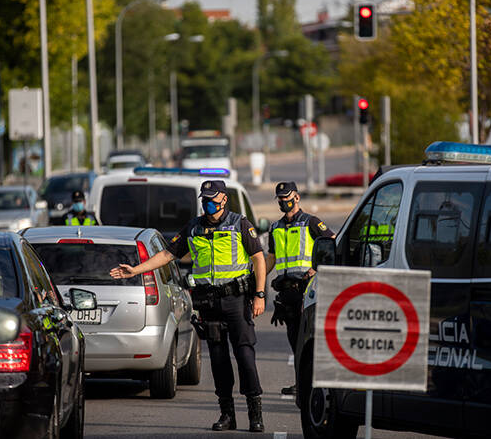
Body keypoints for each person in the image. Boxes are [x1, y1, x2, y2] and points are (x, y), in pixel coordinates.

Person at [109, 180, 267, 432]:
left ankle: (254, 412)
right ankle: (227, 414)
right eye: (204, 199)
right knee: (218, 359)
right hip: (209, 302)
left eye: (213, 198)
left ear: (224, 199)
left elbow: (259, 259)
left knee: (245, 356)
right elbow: (168, 254)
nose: (208, 203)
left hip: (236, 300)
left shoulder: (239, 224)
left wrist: (259, 295)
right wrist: (134, 271)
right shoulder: (194, 227)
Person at [266, 181, 334, 396]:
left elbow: (332, 244)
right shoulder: (275, 228)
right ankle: (300, 383)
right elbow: (271, 258)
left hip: (307, 290)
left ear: (297, 197)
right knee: (295, 340)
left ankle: (315, 384)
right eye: (280, 199)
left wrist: (317, 268)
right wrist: (257, 280)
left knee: (309, 341)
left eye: (287, 197)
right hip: (287, 293)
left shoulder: (311, 222)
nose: (283, 201)